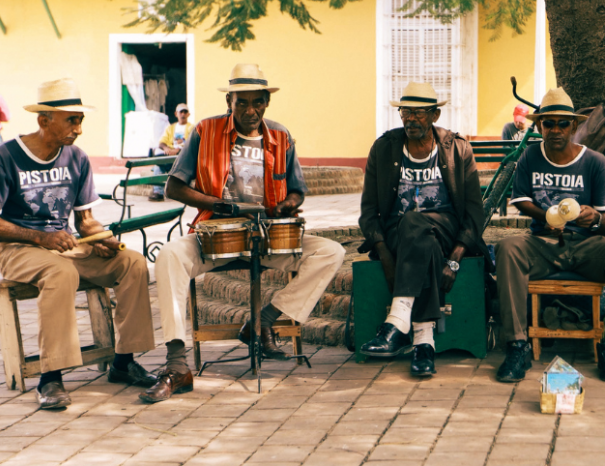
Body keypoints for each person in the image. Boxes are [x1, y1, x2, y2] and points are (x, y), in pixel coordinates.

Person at [143, 64, 345, 403]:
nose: (250, 111)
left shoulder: (281, 136)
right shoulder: (205, 131)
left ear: (266, 102)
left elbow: (297, 190)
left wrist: (286, 205)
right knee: (169, 256)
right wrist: (216, 204)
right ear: (229, 101)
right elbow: (174, 187)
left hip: (266, 237)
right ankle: (176, 363)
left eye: (257, 103)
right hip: (214, 235)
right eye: (242, 103)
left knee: (330, 251)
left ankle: (263, 321)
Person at [0, 78, 157, 410]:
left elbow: (85, 220)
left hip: (66, 246)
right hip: (17, 250)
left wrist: (99, 238)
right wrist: (40, 237)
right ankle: (51, 377)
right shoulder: (5, 157)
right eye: (72, 120)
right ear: (44, 120)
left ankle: (123, 361)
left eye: (80, 120)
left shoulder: (77, 158)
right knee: (61, 273)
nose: (79, 129)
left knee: (133, 262)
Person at [494, 88, 605, 384]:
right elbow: (519, 199)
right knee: (508, 247)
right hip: (543, 246)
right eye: (549, 123)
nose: (556, 129)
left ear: (575, 126)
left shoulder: (596, 162)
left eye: (563, 123)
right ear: (539, 126)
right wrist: (544, 217)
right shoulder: (530, 157)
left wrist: (595, 218)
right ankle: (517, 346)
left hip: (587, 246)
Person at [358, 82, 487, 377]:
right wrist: (384, 255)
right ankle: (424, 342)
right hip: (399, 233)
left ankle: (399, 320)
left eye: (418, 113)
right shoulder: (384, 148)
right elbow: (368, 211)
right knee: (415, 227)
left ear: (434, 116)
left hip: (446, 230)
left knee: (416, 222)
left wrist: (455, 257)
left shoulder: (457, 149)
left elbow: (473, 212)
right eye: (405, 111)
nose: (410, 119)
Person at [150, 103, 193, 202]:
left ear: (188, 114)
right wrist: (166, 149)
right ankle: (158, 192)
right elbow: (161, 142)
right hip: (170, 157)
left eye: (185, 112)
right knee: (158, 166)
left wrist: (179, 150)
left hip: (184, 158)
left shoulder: (192, 128)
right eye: (180, 112)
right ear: (176, 114)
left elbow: (192, 144)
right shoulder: (170, 128)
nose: (183, 114)